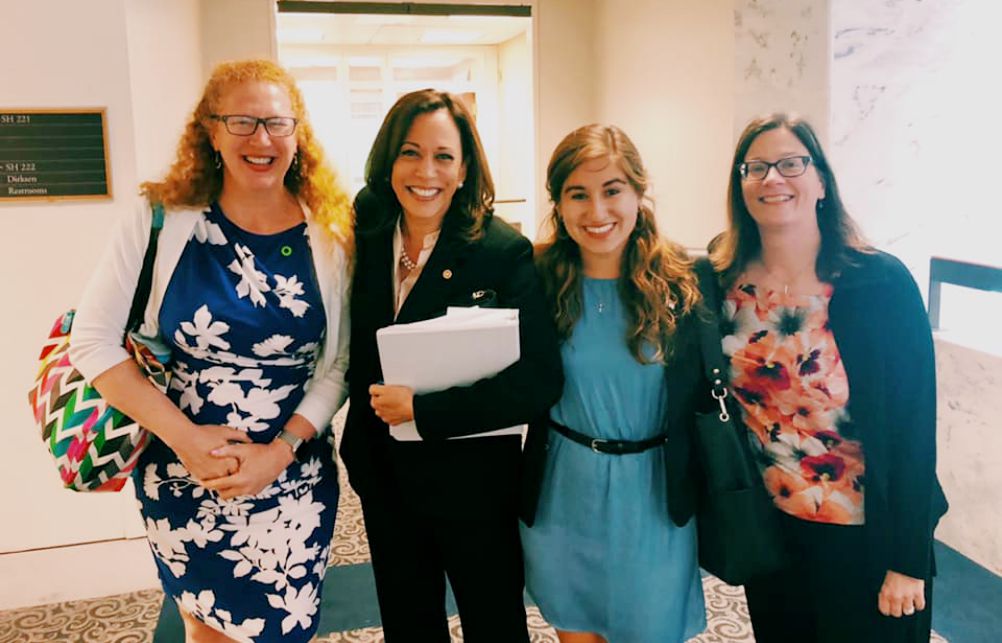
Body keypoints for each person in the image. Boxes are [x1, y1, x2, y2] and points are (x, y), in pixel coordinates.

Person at [69, 60, 352, 642]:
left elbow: (341, 362)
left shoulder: (330, 233)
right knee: (209, 632)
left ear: (297, 136)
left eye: (277, 123)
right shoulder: (160, 219)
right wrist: (187, 441)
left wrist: (281, 450)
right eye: (242, 122)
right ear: (211, 131)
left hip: (291, 474)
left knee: (283, 629)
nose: (262, 139)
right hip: (183, 471)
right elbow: (91, 343)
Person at [705, 113, 949, 642]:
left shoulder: (878, 282)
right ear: (740, 186)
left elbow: (912, 428)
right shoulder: (721, 282)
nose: (773, 179)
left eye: (791, 163)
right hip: (771, 530)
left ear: (820, 181)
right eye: (756, 167)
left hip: (867, 535)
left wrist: (907, 558)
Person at [340, 88, 563, 642]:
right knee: (408, 623)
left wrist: (423, 410)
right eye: (410, 153)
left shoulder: (499, 250)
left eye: (444, 156)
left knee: (493, 624)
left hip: (475, 484)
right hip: (384, 474)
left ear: (465, 169)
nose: (426, 172)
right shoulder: (364, 232)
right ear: (388, 160)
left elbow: (539, 379)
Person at [519, 124, 707, 643]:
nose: (597, 212)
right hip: (565, 492)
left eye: (612, 190)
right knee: (577, 631)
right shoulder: (537, 277)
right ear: (558, 203)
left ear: (638, 192)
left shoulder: (686, 281)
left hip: (653, 498)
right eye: (578, 194)